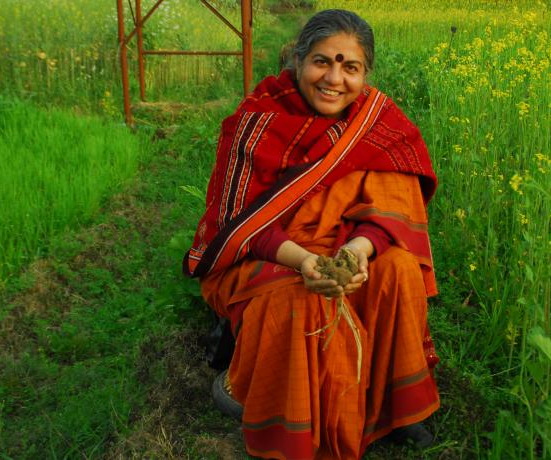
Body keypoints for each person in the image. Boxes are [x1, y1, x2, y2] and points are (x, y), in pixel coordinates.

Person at [184, 9, 440, 459]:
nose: (334, 78)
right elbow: (239, 223)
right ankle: (272, 398)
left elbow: (390, 206)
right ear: (298, 60)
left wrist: (358, 251)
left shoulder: (378, 124)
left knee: (398, 268)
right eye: (322, 61)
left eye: (350, 67)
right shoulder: (256, 121)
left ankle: (397, 407)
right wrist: (304, 261)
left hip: (344, 244)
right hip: (264, 255)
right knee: (303, 302)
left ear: (366, 74)